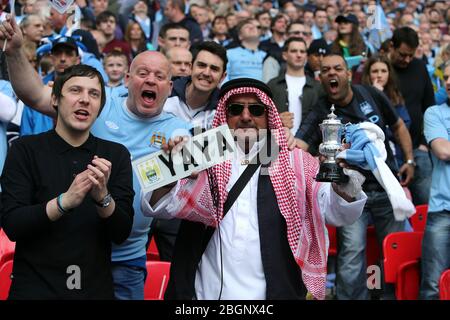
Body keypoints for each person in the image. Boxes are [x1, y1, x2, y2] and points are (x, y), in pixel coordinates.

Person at [0, 14, 192, 299]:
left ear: (169, 86)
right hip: (63, 250)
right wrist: (15, 51)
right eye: (142, 73)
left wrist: (183, 154)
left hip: (126, 256)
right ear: (127, 79)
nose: (151, 79)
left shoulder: (175, 128)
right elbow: (37, 96)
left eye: (160, 76)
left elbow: (193, 157)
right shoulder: (99, 104)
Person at [141, 77, 368, 300]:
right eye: (236, 109)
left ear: (269, 116)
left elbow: (334, 210)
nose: (246, 117)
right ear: (224, 114)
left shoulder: (295, 160)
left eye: (256, 110)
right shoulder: (202, 153)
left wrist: (343, 179)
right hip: (204, 292)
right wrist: (170, 170)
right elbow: (159, 206)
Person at [0, 64, 134, 299]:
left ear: (100, 107)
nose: (84, 100)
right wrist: (64, 202)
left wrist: (103, 198)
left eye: (94, 94)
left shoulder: (115, 155)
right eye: (75, 91)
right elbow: (12, 224)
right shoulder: (25, 149)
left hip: (94, 290)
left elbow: (121, 232)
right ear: (55, 99)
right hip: (34, 289)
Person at [296, 54, 414, 300]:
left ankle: (385, 297)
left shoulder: (370, 94)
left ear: (348, 73)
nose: (331, 73)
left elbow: (398, 126)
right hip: (350, 195)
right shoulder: (320, 109)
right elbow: (300, 144)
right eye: (325, 70)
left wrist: (410, 160)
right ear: (321, 78)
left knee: (388, 254)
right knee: (351, 254)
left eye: (337, 68)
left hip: (385, 188)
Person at [388, 26, 435, 206]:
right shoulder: (382, 70)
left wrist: (425, 142)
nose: (407, 60)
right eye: (402, 54)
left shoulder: (419, 67)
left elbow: (429, 107)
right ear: (392, 46)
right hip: (390, 150)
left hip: (418, 147)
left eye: (411, 55)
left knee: (426, 201)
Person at [420, 61, 450, 300]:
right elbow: (443, 150)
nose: (448, 82)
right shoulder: (434, 113)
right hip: (443, 210)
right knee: (432, 285)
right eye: (446, 77)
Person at [20, 36, 80, 137]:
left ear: (77, 60)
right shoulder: (36, 88)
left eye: (68, 53)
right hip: (38, 150)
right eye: (58, 53)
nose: (62, 59)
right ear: (51, 58)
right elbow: (25, 134)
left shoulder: (87, 92)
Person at [361, 55, 411, 167]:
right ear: (368, 75)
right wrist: (375, 95)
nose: (379, 75)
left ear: (389, 74)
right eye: (375, 71)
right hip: (371, 158)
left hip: (397, 157)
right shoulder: (360, 97)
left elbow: (405, 125)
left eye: (383, 71)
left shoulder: (396, 96)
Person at [268, 37, 322, 136]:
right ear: (284, 55)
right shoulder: (272, 85)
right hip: (279, 143)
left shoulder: (318, 87)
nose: (298, 55)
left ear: (306, 56)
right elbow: (263, 117)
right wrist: (276, 121)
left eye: (302, 51)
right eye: (294, 51)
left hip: (308, 146)